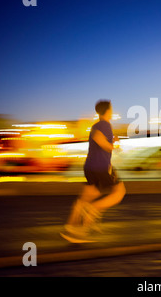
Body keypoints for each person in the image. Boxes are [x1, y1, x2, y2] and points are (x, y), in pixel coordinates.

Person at [62, 100, 126, 241]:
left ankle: (71, 228)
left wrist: (112, 141)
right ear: (108, 111)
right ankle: (93, 210)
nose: (112, 111)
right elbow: (99, 138)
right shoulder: (105, 124)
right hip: (102, 167)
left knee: (87, 196)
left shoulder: (96, 125)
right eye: (111, 109)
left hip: (89, 167)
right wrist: (111, 147)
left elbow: (98, 137)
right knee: (119, 193)